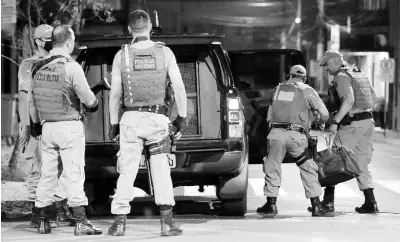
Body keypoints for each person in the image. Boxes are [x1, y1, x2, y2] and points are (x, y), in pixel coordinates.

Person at [107, 10, 187, 237]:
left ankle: (119, 223)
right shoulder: (165, 52)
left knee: (127, 170)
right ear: (151, 26)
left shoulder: (121, 56)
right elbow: (179, 87)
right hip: (157, 120)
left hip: (130, 120)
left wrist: (114, 124)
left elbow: (114, 95)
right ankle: (167, 223)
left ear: (130, 30)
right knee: (161, 170)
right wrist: (180, 119)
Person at [30, 24, 102, 235]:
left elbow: (32, 103)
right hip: (69, 127)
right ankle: (81, 221)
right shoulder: (71, 67)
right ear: (69, 43)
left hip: (47, 127)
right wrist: (94, 103)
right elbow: (88, 99)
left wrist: (36, 126)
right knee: (74, 173)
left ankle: (43, 220)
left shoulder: (36, 67)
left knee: (47, 175)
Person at [256, 65, 333, 217]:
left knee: (272, 166)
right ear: (304, 78)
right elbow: (324, 113)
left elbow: (269, 114)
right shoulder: (306, 89)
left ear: (288, 75)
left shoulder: (278, 89)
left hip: (276, 134)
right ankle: (316, 205)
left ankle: (271, 204)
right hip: (296, 136)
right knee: (307, 167)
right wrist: (318, 121)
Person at [17, 24, 74, 228]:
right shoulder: (28, 64)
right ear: (38, 41)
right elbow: (24, 98)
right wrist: (26, 125)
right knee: (36, 169)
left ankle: (58, 210)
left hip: (54, 122)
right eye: (47, 39)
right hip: (34, 125)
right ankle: (37, 212)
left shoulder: (60, 61)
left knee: (58, 169)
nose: (50, 42)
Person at [317, 49, 379, 214]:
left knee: (332, 158)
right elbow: (374, 99)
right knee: (361, 162)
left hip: (353, 124)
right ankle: (370, 202)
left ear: (336, 61)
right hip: (368, 122)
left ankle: (328, 202)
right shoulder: (359, 74)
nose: (327, 69)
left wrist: (336, 121)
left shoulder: (341, 76)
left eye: (327, 64)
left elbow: (349, 99)